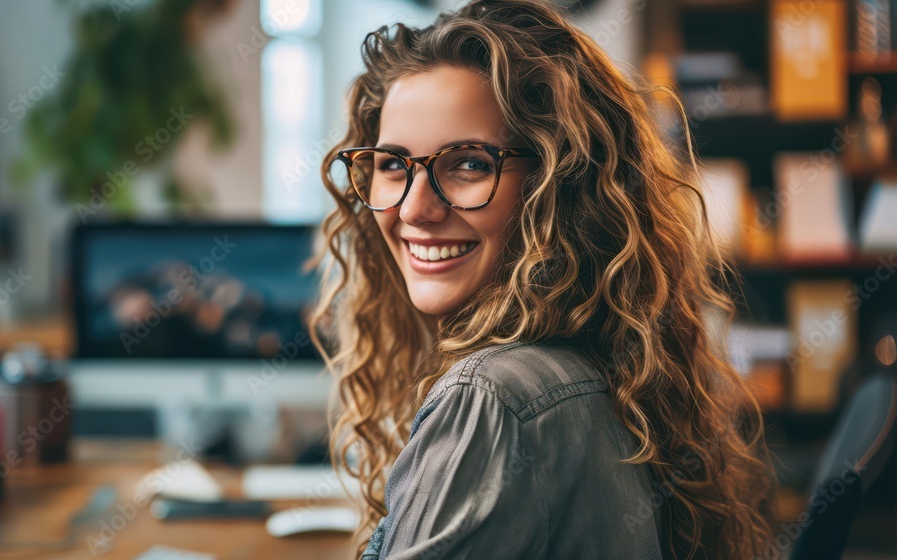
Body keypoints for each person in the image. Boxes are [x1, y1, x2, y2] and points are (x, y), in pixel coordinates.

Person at [308, 1, 776, 558]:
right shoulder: (602, 368)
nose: (415, 209)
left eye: (469, 163)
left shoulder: (490, 400)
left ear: (559, 186)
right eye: (392, 165)